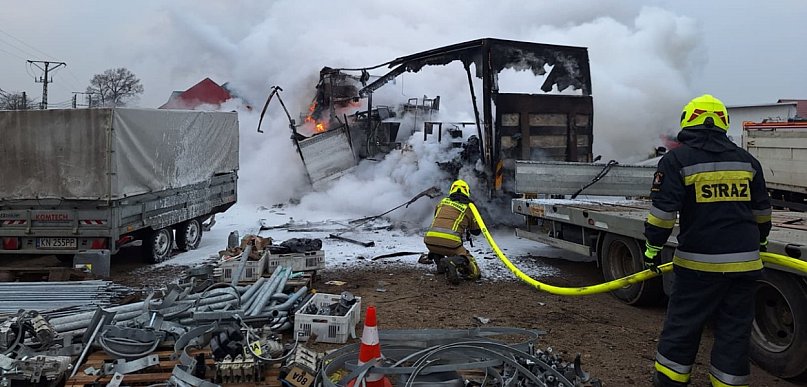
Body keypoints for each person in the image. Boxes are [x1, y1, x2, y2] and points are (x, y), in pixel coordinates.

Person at [643, 94, 772, 387]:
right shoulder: (747, 161)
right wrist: (762, 243)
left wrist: (652, 249)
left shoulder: (676, 160)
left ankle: (671, 382)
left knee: (682, 329)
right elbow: (762, 212)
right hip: (745, 268)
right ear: (724, 122)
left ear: (688, 121)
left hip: (697, 268)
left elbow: (663, 215)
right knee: (734, 334)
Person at [421, 179, 482, 281]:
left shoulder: (442, 202)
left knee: (439, 243)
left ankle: (441, 265)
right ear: (467, 191)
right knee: (475, 273)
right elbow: (476, 232)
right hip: (451, 244)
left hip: (430, 242)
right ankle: (451, 262)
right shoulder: (469, 207)